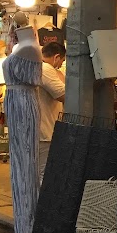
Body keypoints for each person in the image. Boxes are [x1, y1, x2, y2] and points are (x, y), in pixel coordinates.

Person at [39, 41, 66, 182]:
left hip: (43, 130)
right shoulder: (46, 69)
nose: (61, 65)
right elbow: (63, 95)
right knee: (44, 174)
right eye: (62, 61)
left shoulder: (38, 67)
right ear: (56, 57)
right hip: (44, 132)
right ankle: (41, 204)